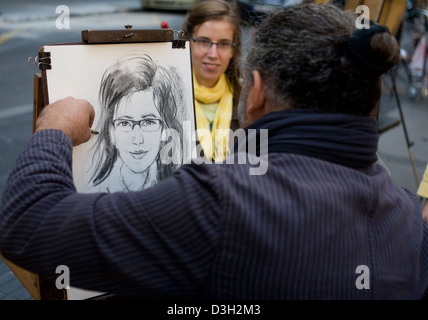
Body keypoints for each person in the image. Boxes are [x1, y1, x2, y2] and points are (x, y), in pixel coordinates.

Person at [1, 2, 428, 300]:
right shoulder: (409, 218)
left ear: (256, 91)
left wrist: (54, 130)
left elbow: (26, 224)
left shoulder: (223, 205)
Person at [87, 53, 187, 192]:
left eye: (148, 122)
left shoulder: (179, 190)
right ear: (111, 132)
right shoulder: (95, 193)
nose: (137, 139)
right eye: (125, 123)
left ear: (164, 128)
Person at [182, 0, 242, 162]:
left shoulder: (247, 101)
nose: (213, 54)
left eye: (223, 44)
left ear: (233, 50)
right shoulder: (166, 98)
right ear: (188, 42)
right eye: (203, 41)